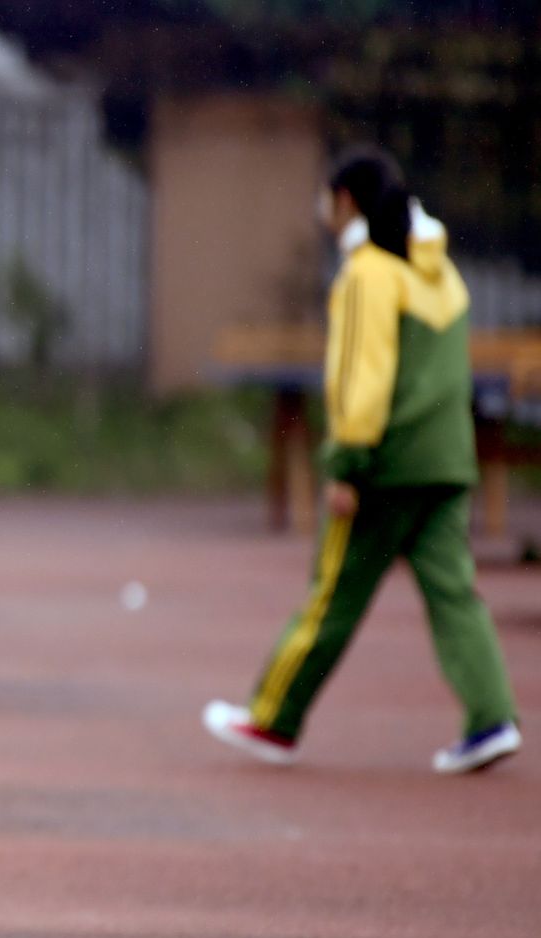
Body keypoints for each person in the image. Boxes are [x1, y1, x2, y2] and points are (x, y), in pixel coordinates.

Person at [204, 148, 520, 774]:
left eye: (328, 198)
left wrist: (346, 462)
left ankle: (272, 718)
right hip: (447, 463)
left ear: (347, 200)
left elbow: (363, 378)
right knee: (455, 597)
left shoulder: (368, 274)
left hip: (385, 468)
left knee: (331, 598)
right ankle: (491, 717)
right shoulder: (442, 276)